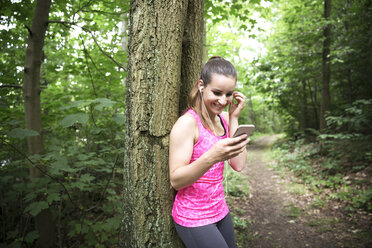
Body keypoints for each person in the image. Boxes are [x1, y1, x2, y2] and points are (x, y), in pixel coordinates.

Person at [169, 56, 250, 248]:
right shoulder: (188, 123)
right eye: (217, 92)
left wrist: (233, 118)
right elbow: (176, 180)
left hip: (220, 210)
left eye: (229, 94)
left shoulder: (222, 120)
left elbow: (238, 164)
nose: (223, 100)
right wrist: (212, 156)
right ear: (201, 86)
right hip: (193, 216)